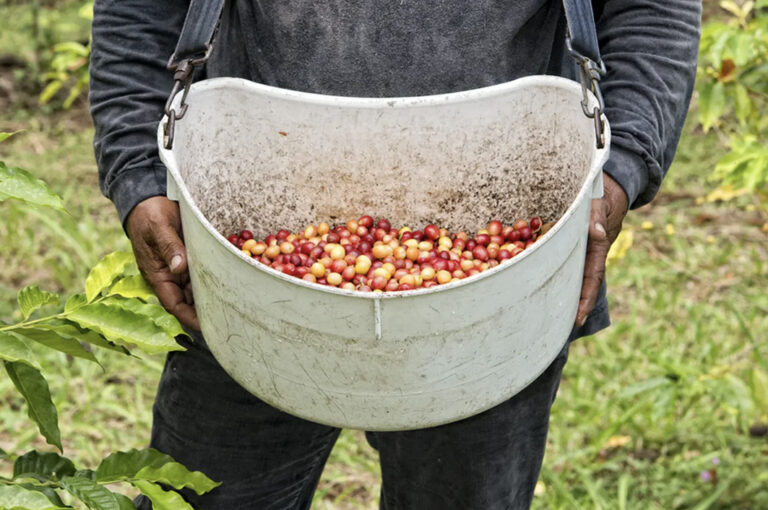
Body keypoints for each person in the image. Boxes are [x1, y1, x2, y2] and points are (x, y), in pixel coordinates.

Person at [89, 1, 701, 508]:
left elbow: (651, 9)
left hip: (499, 282)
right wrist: (138, 173)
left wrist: (619, 168)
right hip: (245, 252)